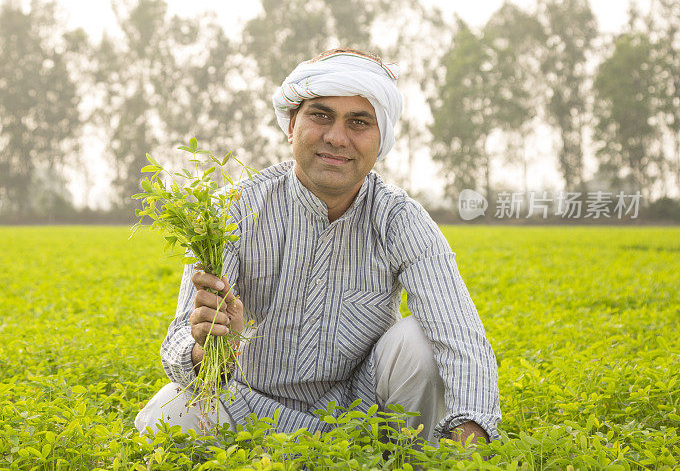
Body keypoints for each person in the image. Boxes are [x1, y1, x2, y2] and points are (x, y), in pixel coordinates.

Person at [135, 48, 501, 445]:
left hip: (361, 423)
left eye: (359, 122)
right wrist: (208, 351)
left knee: (420, 340)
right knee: (162, 417)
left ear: (382, 141)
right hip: (247, 408)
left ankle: (402, 459)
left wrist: (472, 434)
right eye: (321, 115)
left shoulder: (400, 219)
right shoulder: (233, 210)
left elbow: (460, 336)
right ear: (292, 124)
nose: (336, 137)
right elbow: (177, 341)